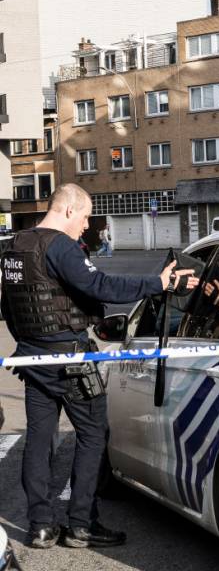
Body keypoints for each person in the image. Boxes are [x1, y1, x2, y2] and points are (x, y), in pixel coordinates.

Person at [0, 183, 198, 550]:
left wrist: (27, 347)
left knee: (39, 439)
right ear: (69, 210)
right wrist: (157, 283)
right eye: (87, 216)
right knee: (93, 436)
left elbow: (9, 308)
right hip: (72, 361)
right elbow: (100, 285)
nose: (88, 226)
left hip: (35, 360)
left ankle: (40, 526)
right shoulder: (59, 246)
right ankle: (81, 525)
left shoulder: (15, 247)